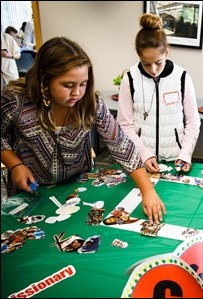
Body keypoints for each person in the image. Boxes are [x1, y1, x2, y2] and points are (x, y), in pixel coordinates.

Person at [1, 36, 166, 224]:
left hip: (78, 187)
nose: (77, 93)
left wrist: (148, 190)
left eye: (83, 84)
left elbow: (119, 143)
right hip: (32, 191)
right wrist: (15, 164)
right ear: (44, 79)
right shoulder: (15, 100)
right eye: (67, 85)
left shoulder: (91, 103)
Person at [116, 13, 200, 173]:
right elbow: (124, 124)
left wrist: (185, 153)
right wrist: (144, 153)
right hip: (140, 161)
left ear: (167, 52)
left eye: (158, 62)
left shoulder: (182, 77)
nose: (153, 70)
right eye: (146, 64)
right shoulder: (130, 78)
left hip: (175, 160)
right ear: (138, 56)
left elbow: (193, 121)